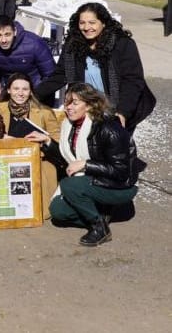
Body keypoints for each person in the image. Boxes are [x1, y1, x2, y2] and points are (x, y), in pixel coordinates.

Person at [27, 83, 138, 247]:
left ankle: (99, 227)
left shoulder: (109, 129)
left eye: (75, 103)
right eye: (67, 102)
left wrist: (86, 164)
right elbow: (70, 159)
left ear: (89, 105)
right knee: (58, 211)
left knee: (68, 185)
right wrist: (48, 141)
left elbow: (122, 171)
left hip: (119, 186)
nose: (68, 108)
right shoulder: (70, 125)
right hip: (92, 180)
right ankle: (100, 212)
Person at [35, 2, 155, 134]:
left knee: (115, 149)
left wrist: (122, 113)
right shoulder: (73, 44)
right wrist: (33, 95)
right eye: (82, 23)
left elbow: (132, 81)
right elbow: (60, 75)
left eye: (92, 23)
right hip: (86, 107)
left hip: (117, 107)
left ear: (103, 23)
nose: (86, 27)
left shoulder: (122, 44)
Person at [0, 72, 61, 219]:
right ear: (8, 90)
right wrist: (1, 137)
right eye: (16, 89)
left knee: (43, 212)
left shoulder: (44, 112)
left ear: (30, 91)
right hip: (7, 159)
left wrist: (45, 138)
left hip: (38, 159)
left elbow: (58, 142)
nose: (20, 93)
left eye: (25, 89)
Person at [0, 15, 56, 100]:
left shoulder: (34, 43)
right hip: (7, 85)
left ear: (15, 31)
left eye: (7, 34)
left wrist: (37, 95)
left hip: (34, 84)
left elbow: (50, 74)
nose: (4, 40)